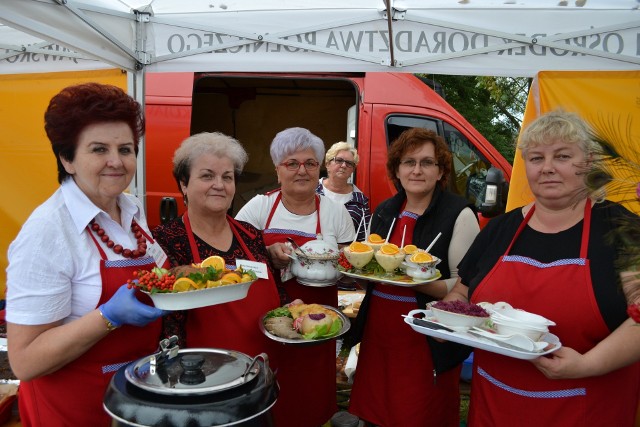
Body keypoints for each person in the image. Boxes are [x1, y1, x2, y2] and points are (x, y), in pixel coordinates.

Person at [445, 110, 640, 426]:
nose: (547, 168)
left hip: (586, 407)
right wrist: (446, 321)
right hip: (495, 405)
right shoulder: (500, 229)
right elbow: (462, 292)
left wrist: (587, 365)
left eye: (562, 156)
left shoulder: (624, 230)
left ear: (589, 163)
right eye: (536, 158)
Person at [5, 83, 167, 426]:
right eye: (98, 149)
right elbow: (25, 361)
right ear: (67, 159)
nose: (116, 161)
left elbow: (162, 274)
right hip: (76, 406)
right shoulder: (48, 231)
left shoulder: (130, 208)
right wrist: (108, 316)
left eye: (125, 149)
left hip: (137, 394)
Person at [349, 127, 481, 427]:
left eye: (427, 162)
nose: (417, 170)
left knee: (420, 415)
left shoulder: (459, 213)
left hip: (426, 340)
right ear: (397, 169)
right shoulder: (385, 211)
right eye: (409, 162)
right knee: (375, 416)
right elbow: (370, 268)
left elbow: (467, 282)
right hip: (379, 336)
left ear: (440, 171)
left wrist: (416, 281)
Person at [236, 127, 355, 427]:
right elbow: (234, 264)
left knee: (312, 396)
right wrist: (266, 253)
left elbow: (349, 267)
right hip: (268, 322)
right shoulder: (259, 207)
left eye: (310, 163)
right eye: (292, 163)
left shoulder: (335, 212)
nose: (302, 170)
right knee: (270, 394)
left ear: (319, 168)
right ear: (278, 170)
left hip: (320, 321)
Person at [152, 132, 281, 360]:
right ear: (184, 184)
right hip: (201, 373)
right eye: (207, 176)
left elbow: (277, 293)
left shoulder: (250, 234)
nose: (219, 185)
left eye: (227, 177)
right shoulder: (166, 240)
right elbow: (166, 321)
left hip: (261, 365)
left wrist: (290, 309)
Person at [316, 141, 371, 242]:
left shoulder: (360, 200)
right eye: (339, 160)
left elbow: (363, 239)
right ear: (327, 164)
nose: (344, 165)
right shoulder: (313, 190)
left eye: (349, 163)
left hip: (344, 256)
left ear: (353, 170)